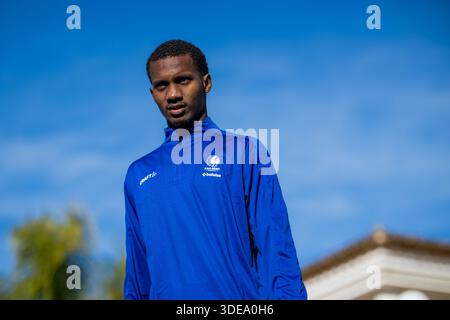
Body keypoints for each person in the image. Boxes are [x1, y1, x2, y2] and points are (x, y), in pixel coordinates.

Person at [123, 39, 307, 299]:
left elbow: (277, 248)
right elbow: (137, 275)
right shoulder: (138, 174)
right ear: (152, 93)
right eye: (161, 85)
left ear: (206, 83)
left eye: (183, 80)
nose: (173, 94)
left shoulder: (246, 152)